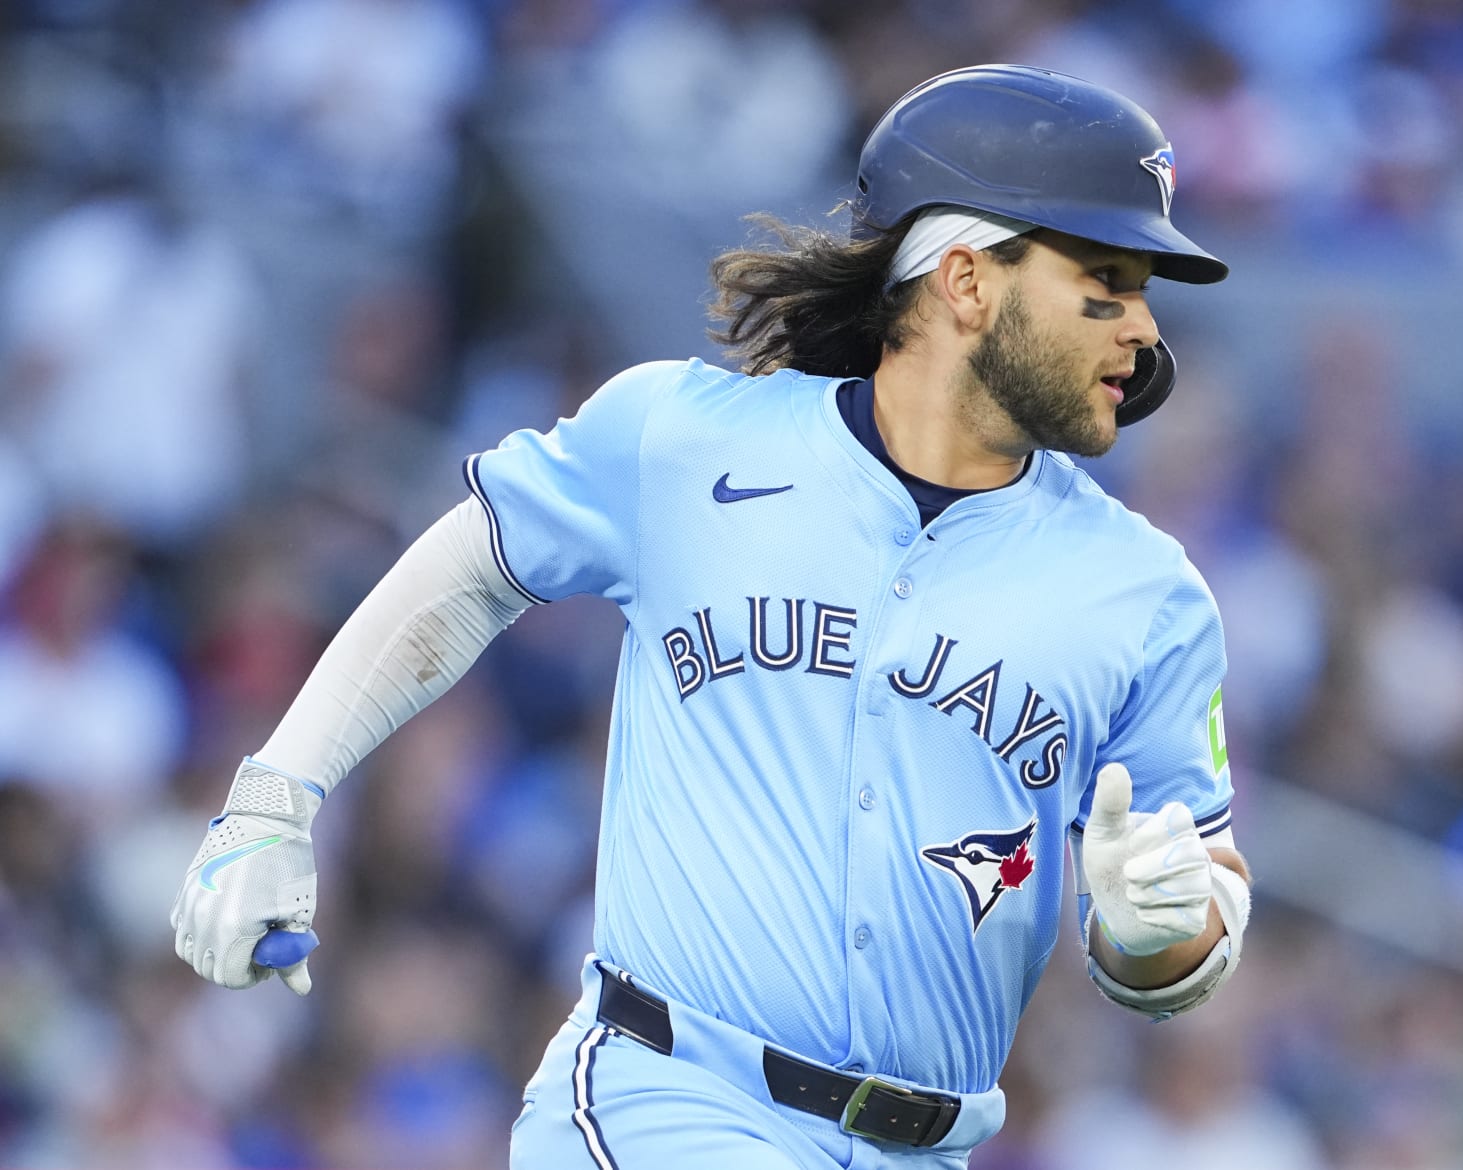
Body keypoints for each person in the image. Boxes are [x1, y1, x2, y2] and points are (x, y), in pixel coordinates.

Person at [170, 63, 1254, 1169]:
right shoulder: (685, 440)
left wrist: (1159, 929)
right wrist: (272, 797)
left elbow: (1191, 926)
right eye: (1106, 282)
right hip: (665, 1101)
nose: (1142, 332)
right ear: (967, 281)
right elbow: (470, 568)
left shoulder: (1150, 595)